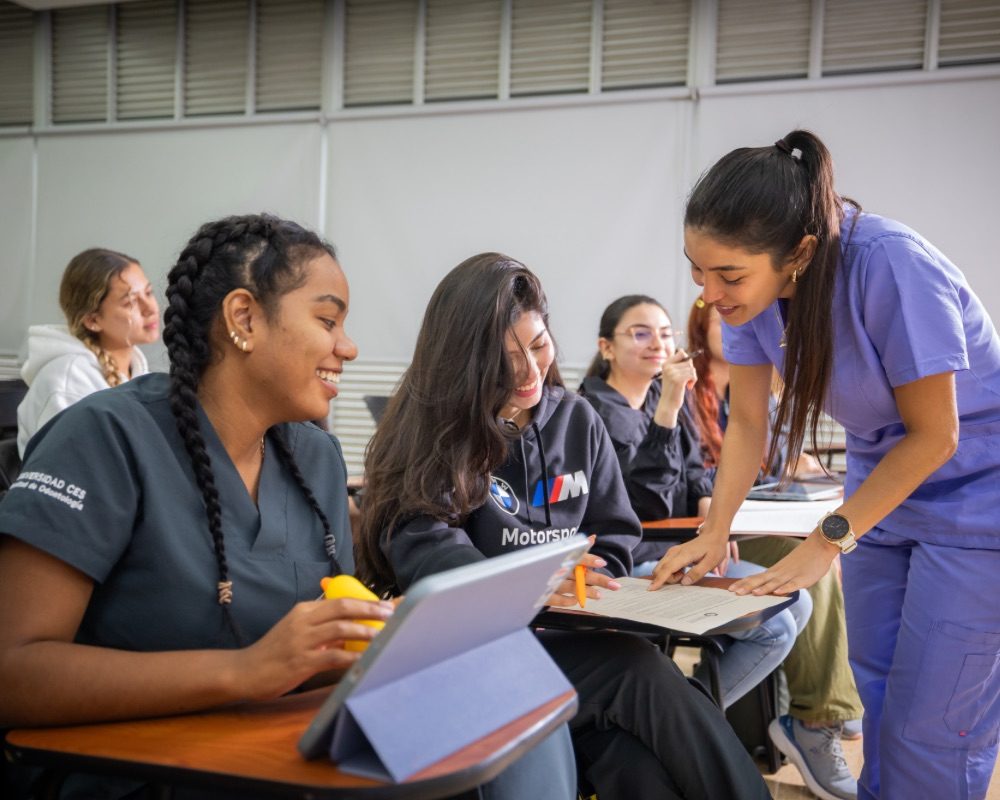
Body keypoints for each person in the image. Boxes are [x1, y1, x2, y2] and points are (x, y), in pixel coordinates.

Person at [0, 215, 574, 800]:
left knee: (509, 688)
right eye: (328, 320)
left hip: (281, 753)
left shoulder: (314, 458)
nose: (348, 347)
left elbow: (316, 653)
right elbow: (12, 673)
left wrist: (387, 636)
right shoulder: (103, 438)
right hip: (145, 773)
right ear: (243, 318)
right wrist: (246, 670)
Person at [652, 130, 1000, 800]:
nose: (711, 294)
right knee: (880, 687)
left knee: (936, 719)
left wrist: (826, 542)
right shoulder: (750, 303)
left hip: (976, 489)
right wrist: (713, 531)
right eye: (698, 271)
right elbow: (749, 421)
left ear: (801, 254)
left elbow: (936, 435)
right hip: (882, 473)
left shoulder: (890, 264)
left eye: (728, 275)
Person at [356, 253, 772, 800]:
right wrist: (535, 582)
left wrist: (598, 580)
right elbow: (430, 560)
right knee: (636, 670)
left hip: (568, 639)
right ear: (463, 359)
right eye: (506, 358)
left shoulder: (575, 417)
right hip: (472, 654)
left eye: (538, 345)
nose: (530, 371)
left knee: (638, 766)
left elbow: (617, 530)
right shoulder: (430, 436)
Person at [579, 293, 811, 713]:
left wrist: (708, 505)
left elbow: (693, 470)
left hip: (679, 547)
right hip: (635, 558)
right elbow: (643, 507)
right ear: (606, 348)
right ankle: (691, 716)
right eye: (641, 333)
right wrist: (669, 404)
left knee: (799, 601)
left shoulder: (659, 398)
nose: (658, 344)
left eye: (665, 334)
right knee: (774, 627)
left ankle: (690, 715)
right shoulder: (590, 412)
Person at [688, 297, 864, 799]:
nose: (735, 327)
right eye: (719, 321)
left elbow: (772, 468)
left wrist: (795, 460)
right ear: (699, 330)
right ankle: (818, 719)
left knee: (836, 551)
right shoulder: (682, 394)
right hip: (714, 531)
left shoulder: (760, 391)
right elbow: (689, 480)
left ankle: (832, 705)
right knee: (814, 568)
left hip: (756, 517)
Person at [16, 248, 160, 457]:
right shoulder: (67, 381)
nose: (150, 308)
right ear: (92, 320)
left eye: (148, 293)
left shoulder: (138, 370)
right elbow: (71, 469)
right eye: (130, 302)